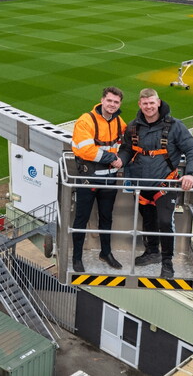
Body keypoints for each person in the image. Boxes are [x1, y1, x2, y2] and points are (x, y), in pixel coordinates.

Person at [118, 88, 193, 279]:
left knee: (164, 222)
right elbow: (127, 149)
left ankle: (167, 262)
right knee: (147, 220)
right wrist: (120, 160)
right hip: (142, 183)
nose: (148, 107)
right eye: (145, 103)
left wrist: (191, 174)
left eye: (152, 103)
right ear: (140, 104)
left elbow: (192, 150)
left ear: (158, 103)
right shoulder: (133, 127)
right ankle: (152, 252)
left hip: (165, 185)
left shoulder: (175, 127)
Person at [71, 86, 126, 273]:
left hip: (109, 180)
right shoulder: (85, 121)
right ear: (102, 100)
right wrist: (113, 159)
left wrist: (123, 159)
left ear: (120, 104)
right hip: (88, 179)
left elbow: (126, 144)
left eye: (116, 102)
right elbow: (85, 150)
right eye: (109, 100)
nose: (112, 105)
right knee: (81, 218)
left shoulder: (120, 122)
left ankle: (106, 252)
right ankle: (77, 257)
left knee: (106, 218)